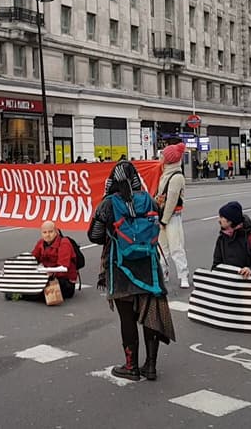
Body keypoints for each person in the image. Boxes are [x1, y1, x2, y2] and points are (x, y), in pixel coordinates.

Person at [88, 161, 175, 382]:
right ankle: (151, 366)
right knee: (150, 315)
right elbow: (160, 221)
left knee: (127, 319)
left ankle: (131, 366)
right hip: (149, 266)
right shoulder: (149, 200)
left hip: (121, 268)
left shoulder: (108, 204)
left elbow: (94, 236)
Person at [212, 201, 251, 287]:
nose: (219, 220)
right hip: (230, 289)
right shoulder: (222, 239)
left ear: (230, 221)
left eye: (222, 217)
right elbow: (216, 265)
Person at [155, 142, 189, 289]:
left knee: (176, 247)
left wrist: (163, 221)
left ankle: (183, 275)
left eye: (163, 155)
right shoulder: (166, 173)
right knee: (162, 248)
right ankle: (164, 272)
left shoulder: (176, 177)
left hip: (171, 216)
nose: (161, 158)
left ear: (169, 159)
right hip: (164, 216)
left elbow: (172, 201)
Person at [31, 221, 78, 299]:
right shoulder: (41, 243)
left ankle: (24, 295)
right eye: (44, 232)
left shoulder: (64, 243)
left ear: (56, 231)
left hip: (65, 281)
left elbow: (63, 268)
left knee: (43, 292)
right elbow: (33, 259)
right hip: (47, 276)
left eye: (50, 232)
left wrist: (51, 274)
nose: (48, 235)